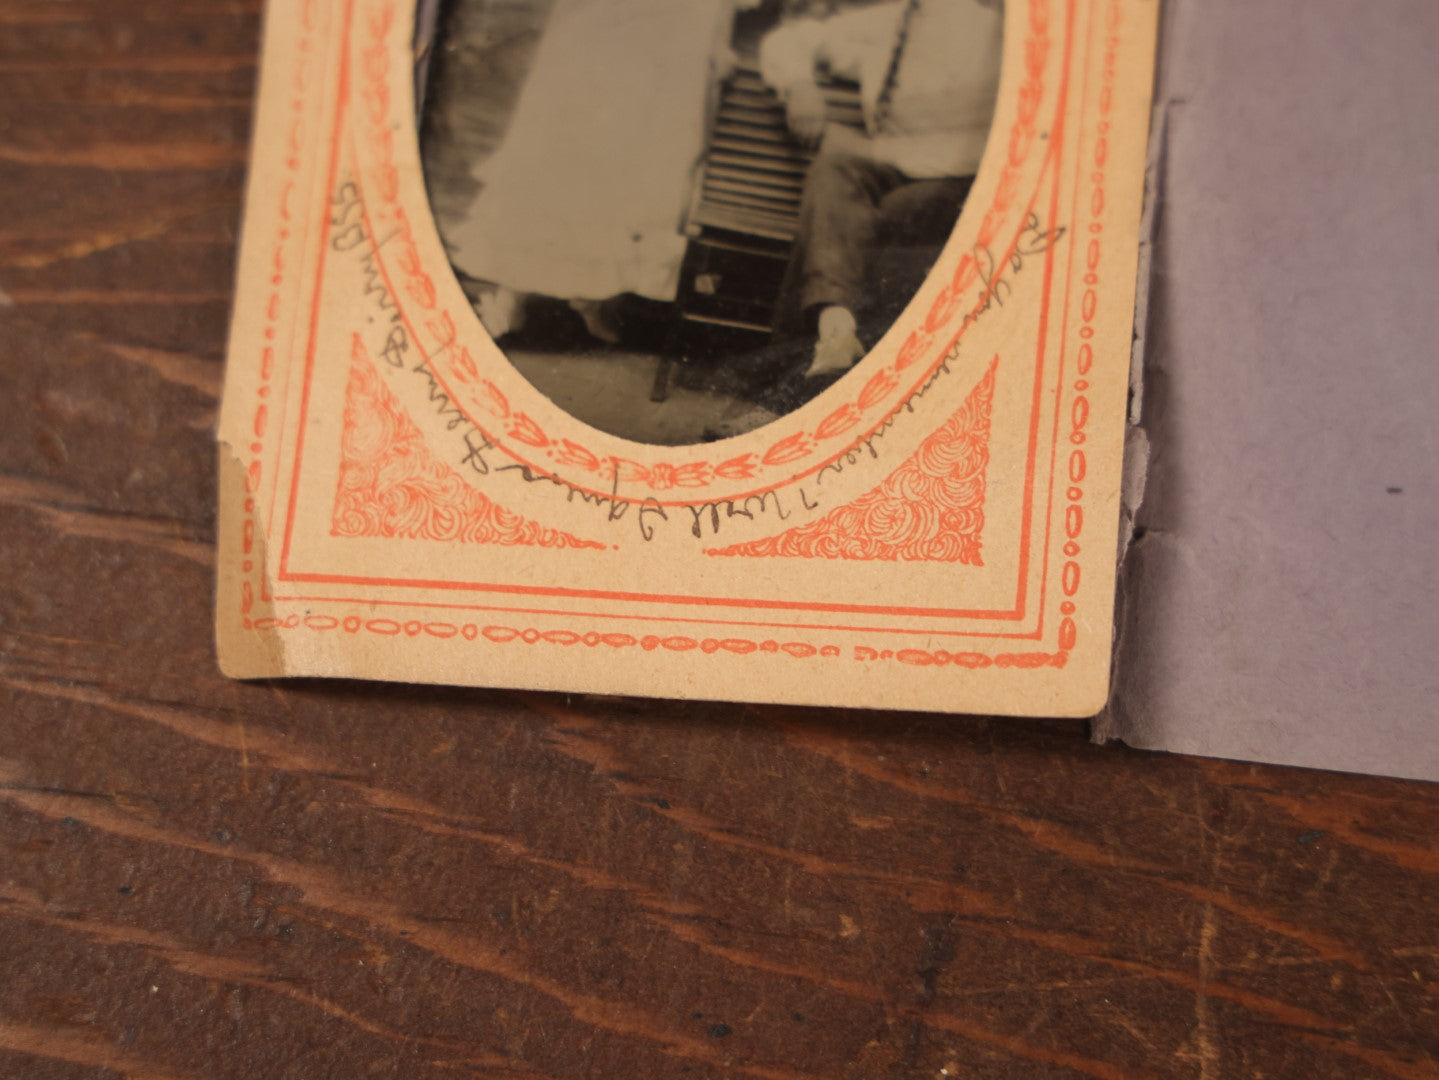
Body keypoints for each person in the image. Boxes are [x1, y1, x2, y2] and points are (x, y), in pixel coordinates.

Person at [447, 0, 758, 343]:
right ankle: (514, 292)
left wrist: (716, 41)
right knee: (568, 140)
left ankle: (598, 292)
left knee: (645, 154)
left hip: (678, 34)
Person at [758, 0, 1003, 376]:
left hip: (959, 187)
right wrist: (799, 86)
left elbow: (976, 152)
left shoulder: (993, 36)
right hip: (891, 174)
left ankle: (791, 385)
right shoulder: (891, 23)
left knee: (851, 228)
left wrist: (871, 149)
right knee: (832, 173)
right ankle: (835, 330)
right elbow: (786, 41)